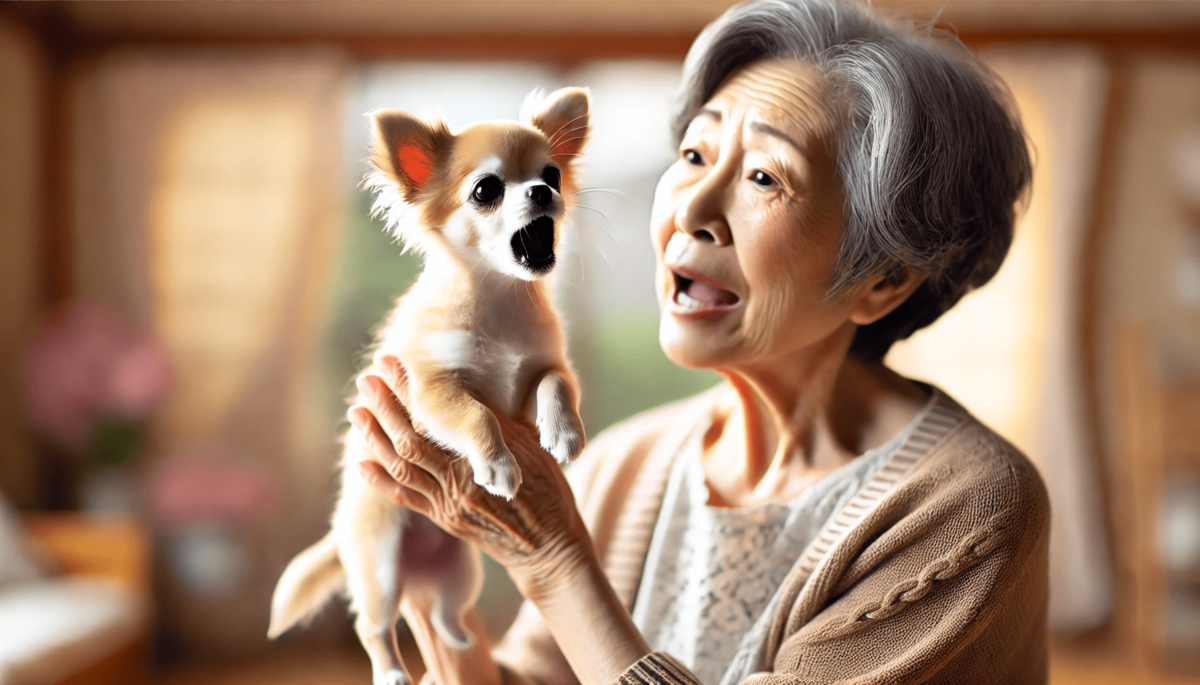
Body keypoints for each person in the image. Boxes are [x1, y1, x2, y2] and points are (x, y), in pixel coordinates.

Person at [348, 0, 1048, 682]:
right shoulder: (619, 466)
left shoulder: (969, 507)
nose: (691, 206)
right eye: (693, 153)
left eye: (764, 177)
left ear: (882, 279)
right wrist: (432, 599)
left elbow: (566, 585)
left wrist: (556, 563)